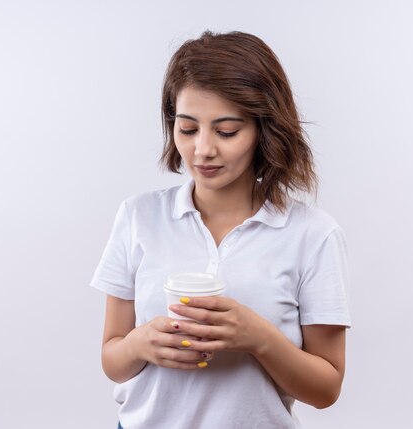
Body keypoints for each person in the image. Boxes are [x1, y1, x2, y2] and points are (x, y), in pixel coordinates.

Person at [90, 30, 351, 429]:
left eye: (227, 131)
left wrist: (258, 337)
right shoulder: (138, 217)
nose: (203, 150)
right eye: (188, 129)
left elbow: (326, 389)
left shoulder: (313, 235)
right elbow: (113, 360)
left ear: (265, 130)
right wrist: (140, 344)